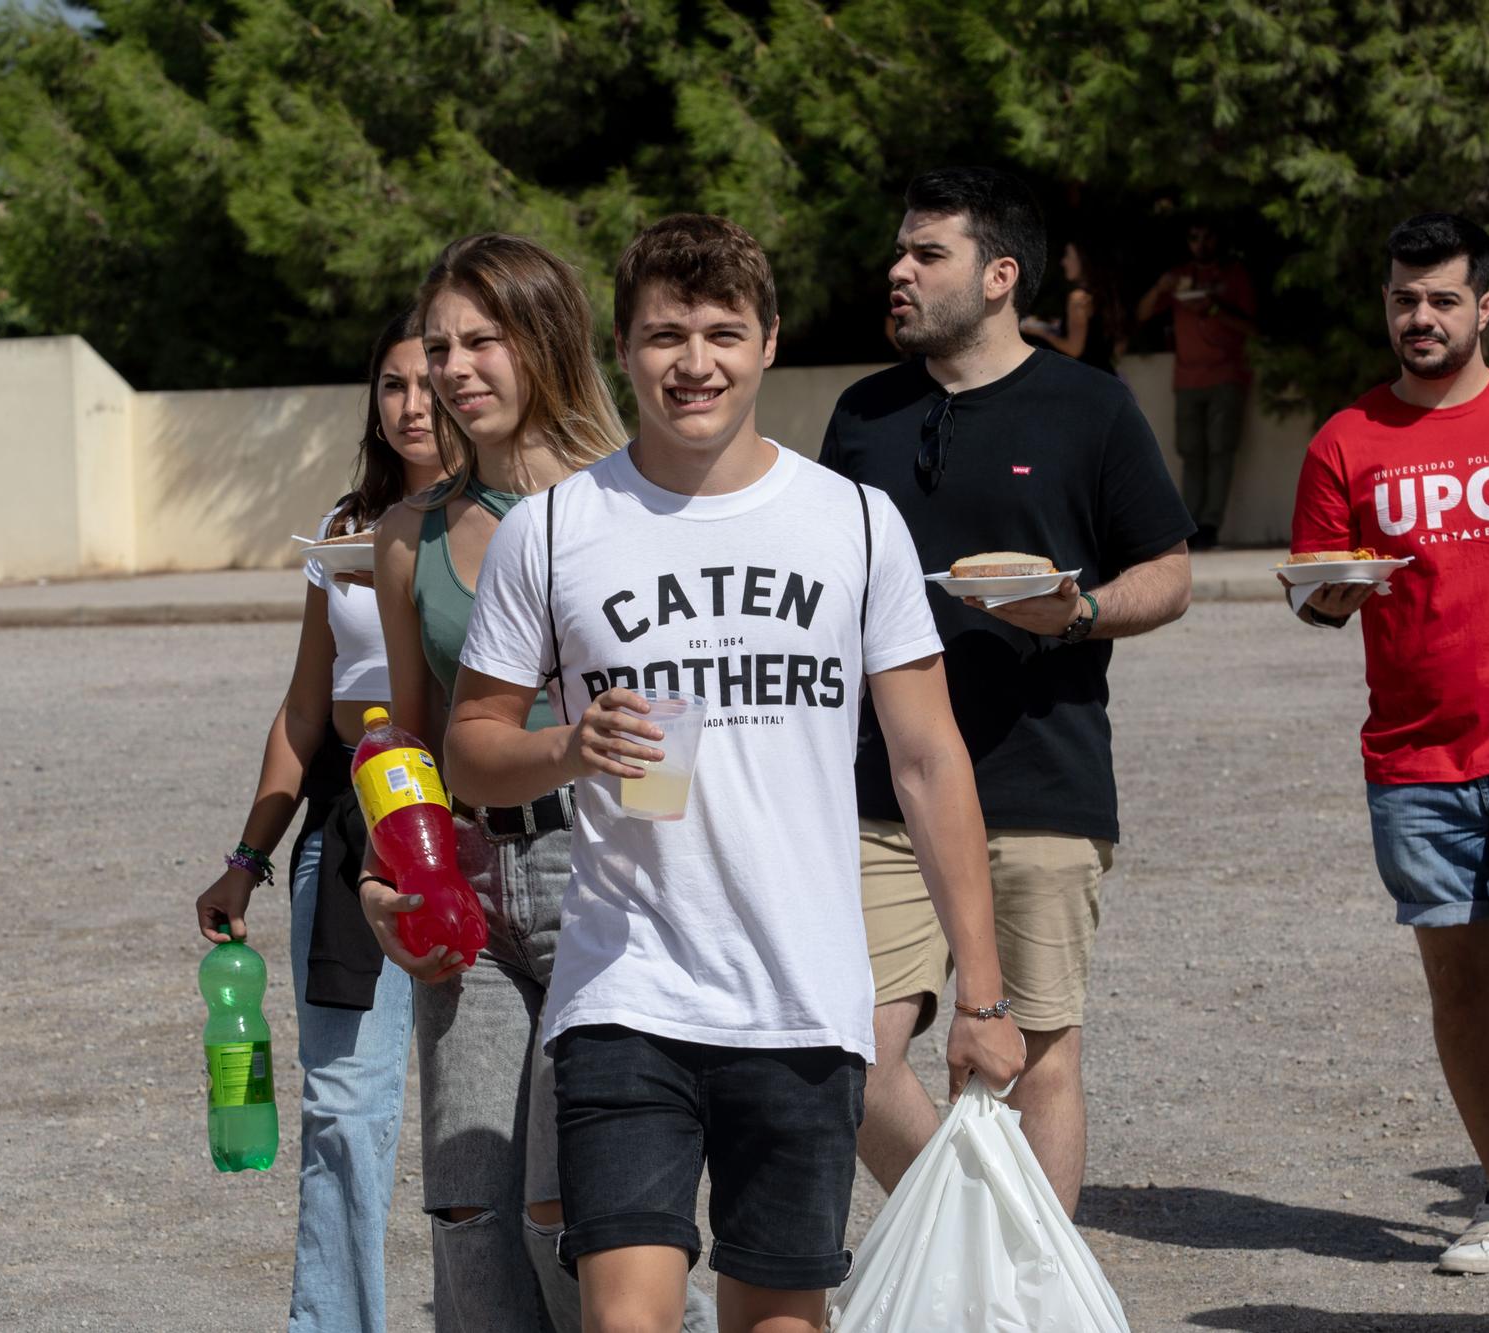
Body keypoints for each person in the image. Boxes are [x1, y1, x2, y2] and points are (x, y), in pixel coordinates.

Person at [444, 213, 1025, 1333]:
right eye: (665, 335)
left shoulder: (853, 523)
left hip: (803, 1002)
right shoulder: (555, 533)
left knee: (778, 1319)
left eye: (721, 332)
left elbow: (926, 758)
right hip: (625, 991)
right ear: (621, 349)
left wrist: (983, 995)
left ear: (768, 343)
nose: (693, 362)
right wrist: (567, 745)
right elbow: (471, 746)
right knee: (623, 1319)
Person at [819, 166, 1193, 1218]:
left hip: (1039, 777)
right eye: (898, 251)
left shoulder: (1090, 406)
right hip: (880, 789)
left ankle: (1031, 1301)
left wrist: (1074, 615)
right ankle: (989, 1236)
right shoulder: (861, 414)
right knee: (848, 1054)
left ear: (998, 276)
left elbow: (1166, 574)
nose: (896, 271)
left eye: (924, 254)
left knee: (1033, 1056)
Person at [360, 234, 712, 1332]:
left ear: (546, 339)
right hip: (463, 876)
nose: (453, 370)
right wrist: (387, 886)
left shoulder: (642, 509)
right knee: (467, 1216)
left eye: (481, 340)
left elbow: (687, 721)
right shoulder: (408, 534)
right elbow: (405, 747)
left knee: (582, 1221)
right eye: (435, 347)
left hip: (602, 872)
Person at [1287, 212, 1489, 1277]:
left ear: (1484, 306)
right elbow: (1318, 593)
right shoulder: (1344, 440)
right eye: (1400, 299)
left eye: (1438, 299)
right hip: (1415, 755)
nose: (1417, 317)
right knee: (1457, 983)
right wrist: (1331, 595)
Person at [192, 310, 445, 1332]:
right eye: (392, 386)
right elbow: (304, 709)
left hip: (473, 806)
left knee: (522, 1110)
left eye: (432, 380)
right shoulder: (343, 525)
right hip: (350, 820)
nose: (414, 404)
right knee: (343, 1107)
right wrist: (246, 858)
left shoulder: (525, 513)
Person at [1136, 220, 1258, 548]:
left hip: (1227, 375)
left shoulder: (1234, 276)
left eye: (1207, 236)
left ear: (1217, 238)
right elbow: (1143, 313)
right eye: (1194, 237)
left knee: (1220, 450)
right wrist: (1161, 288)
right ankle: (1190, 526)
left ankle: (1210, 525)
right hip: (1187, 376)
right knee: (1190, 451)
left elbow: (1252, 327)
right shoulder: (1179, 276)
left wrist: (1214, 308)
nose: (1200, 244)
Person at [1021, 239, 1123, 373]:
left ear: (1083, 260)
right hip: (1107, 374)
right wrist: (1047, 324)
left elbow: (1074, 349)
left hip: (1088, 378)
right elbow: (1092, 334)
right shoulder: (1103, 294)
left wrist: (1041, 332)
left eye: (1068, 256)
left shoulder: (1078, 299)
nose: (1064, 262)